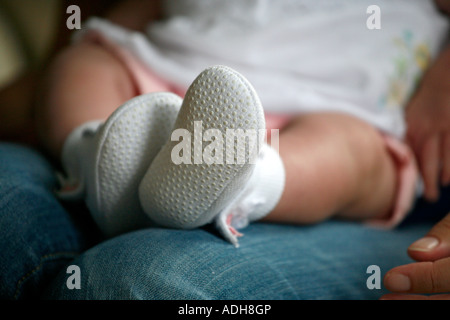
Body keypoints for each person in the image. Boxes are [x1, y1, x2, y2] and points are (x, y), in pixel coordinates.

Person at [1, 0, 450, 300]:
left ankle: (242, 181)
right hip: (161, 82)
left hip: (332, 108)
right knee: (86, 64)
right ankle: (99, 155)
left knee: (350, 153)